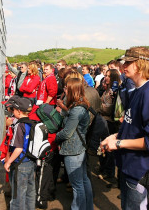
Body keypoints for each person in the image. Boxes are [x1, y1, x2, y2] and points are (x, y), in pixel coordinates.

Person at [100, 47, 149, 210]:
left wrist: (119, 144)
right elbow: (135, 126)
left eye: (129, 62)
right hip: (130, 168)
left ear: (140, 64)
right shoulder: (140, 90)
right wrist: (115, 136)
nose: (124, 65)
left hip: (140, 172)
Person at [55, 78, 94, 210]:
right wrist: (63, 107)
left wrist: (55, 137)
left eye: (66, 88)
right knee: (83, 181)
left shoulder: (77, 109)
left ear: (72, 90)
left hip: (73, 150)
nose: (64, 90)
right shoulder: (80, 104)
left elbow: (67, 132)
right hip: (79, 148)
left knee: (77, 185)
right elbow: (69, 115)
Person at [3, 96, 36, 210]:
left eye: (14, 110)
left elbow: (18, 148)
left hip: (20, 164)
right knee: (30, 192)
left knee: (18, 195)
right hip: (31, 162)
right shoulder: (32, 123)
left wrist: (8, 162)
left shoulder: (19, 126)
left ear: (19, 111)